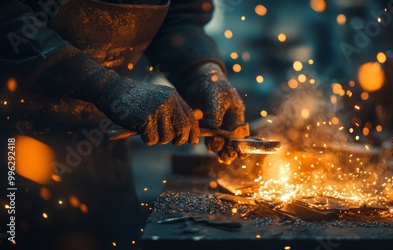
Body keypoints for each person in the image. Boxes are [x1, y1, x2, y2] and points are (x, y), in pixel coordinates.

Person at [0, 0, 246, 249]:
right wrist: (104, 86)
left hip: (104, 144)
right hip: (15, 142)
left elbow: (180, 15)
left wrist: (202, 70)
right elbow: (8, 22)